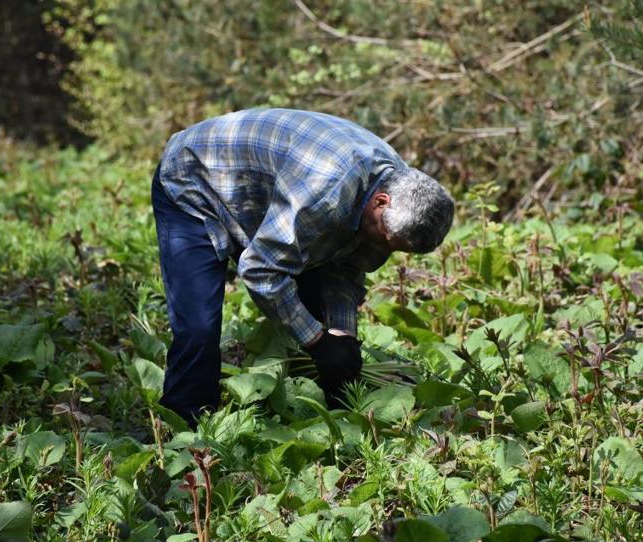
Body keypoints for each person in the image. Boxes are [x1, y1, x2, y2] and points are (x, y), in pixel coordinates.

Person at [151, 108, 454, 425]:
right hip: (195, 177)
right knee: (198, 325)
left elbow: (347, 263)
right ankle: (186, 430)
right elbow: (260, 270)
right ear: (380, 202)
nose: (384, 250)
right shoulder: (325, 194)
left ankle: (301, 406)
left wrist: (341, 334)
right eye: (386, 239)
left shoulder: (399, 190)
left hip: (262, 190)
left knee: (316, 313)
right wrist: (318, 342)